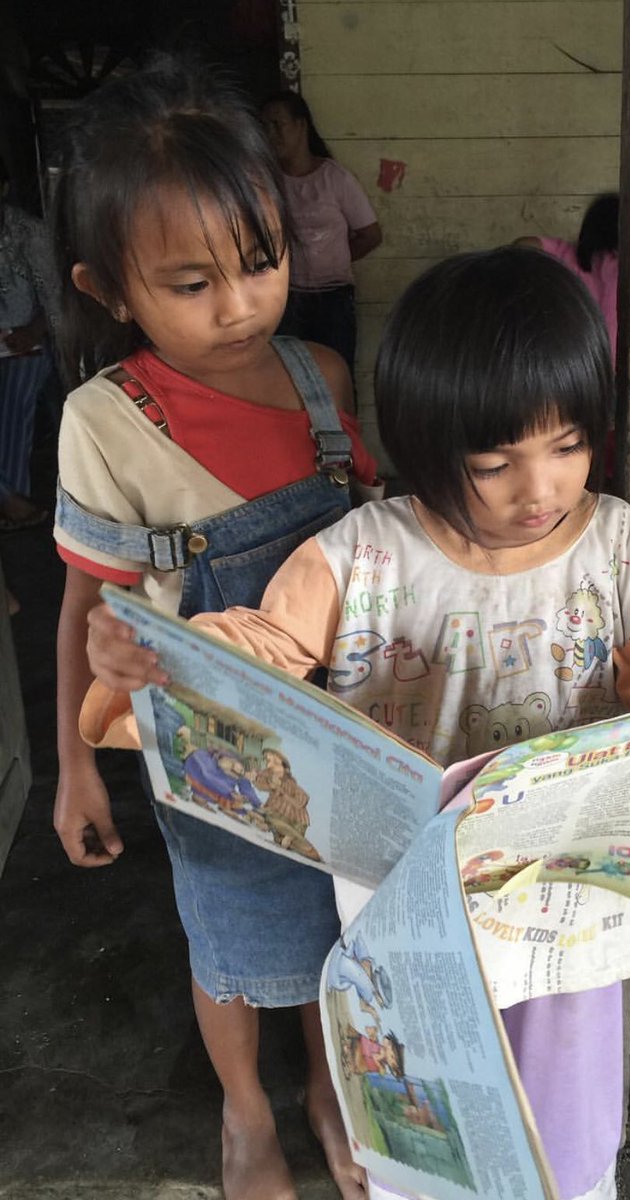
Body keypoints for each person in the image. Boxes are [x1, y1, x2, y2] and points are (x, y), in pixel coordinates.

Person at [84, 246, 630, 1200]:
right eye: (494, 463)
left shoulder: (618, 547)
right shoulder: (358, 554)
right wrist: (158, 661)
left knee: (564, 1162)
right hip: (403, 935)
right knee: (423, 1157)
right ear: (427, 447)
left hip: (563, 934)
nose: (540, 490)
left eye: (567, 446)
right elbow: (257, 651)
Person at [50, 56, 379, 1200]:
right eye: (191, 283)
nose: (239, 304)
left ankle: (330, 1091)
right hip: (207, 747)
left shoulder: (323, 377)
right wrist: (73, 767)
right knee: (234, 934)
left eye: (261, 261)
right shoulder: (104, 422)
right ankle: (245, 1110)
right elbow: (84, 602)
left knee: (340, 926)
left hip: (342, 730)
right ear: (108, 288)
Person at [261, 91, 382, 390]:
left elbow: (370, 235)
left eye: (278, 124)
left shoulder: (335, 178)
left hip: (333, 299)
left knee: (336, 378)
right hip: (286, 297)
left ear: (301, 125)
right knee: (289, 380)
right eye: (265, 126)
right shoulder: (267, 182)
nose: (271, 134)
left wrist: (333, 259)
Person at [0, 155, 58, 532]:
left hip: (24, 344)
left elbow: (54, 299)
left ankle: (13, 499)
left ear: (4, 188)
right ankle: (11, 501)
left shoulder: (28, 233)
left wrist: (33, 333)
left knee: (13, 415)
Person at [515, 192, 619, 368]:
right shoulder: (625, 266)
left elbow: (524, 245)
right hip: (615, 370)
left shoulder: (569, 257)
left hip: (574, 367)